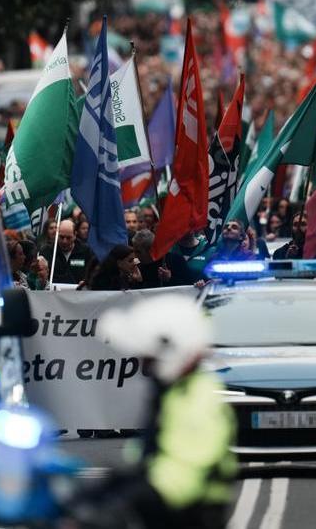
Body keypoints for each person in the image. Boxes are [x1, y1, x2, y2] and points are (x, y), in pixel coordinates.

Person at [97, 295, 237, 528]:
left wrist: (128, 503)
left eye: (149, 360)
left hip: (189, 518)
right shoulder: (174, 392)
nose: (144, 368)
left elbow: (181, 477)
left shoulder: (197, 401)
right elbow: (153, 456)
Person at [40, 219, 96, 285]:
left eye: (68, 238)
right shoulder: (46, 251)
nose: (64, 241)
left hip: (79, 293)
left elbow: (93, 274)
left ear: (75, 235)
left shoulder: (86, 251)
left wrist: (86, 282)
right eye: (61, 237)